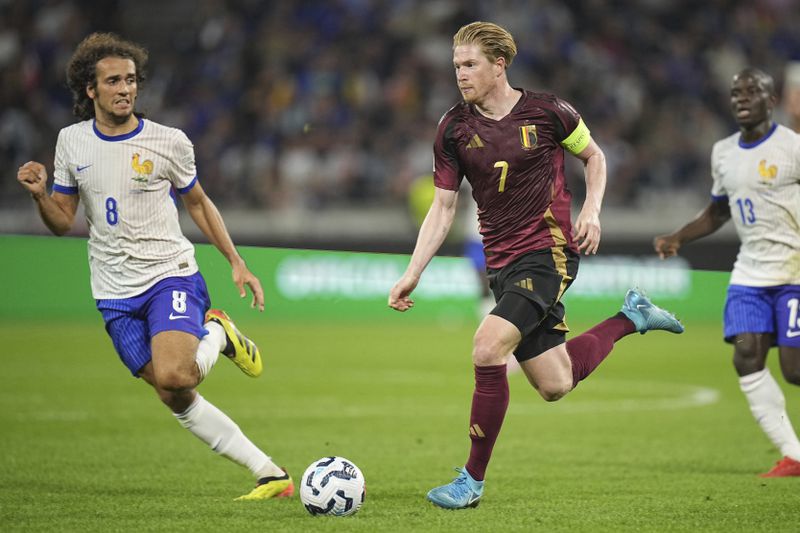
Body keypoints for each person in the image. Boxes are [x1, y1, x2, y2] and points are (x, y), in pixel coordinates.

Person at [388, 21, 684, 510]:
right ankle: (631, 316)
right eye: (456, 65)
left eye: (470, 64)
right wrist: (412, 272)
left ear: (499, 65)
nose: (460, 74)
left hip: (548, 253)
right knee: (555, 383)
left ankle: (470, 481)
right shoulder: (454, 128)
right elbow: (442, 208)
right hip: (501, 262)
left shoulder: (549, 112)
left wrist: (591, 210)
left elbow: (595, 157)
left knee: (487, 349)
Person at [15, 33, 293, 500]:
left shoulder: (168, 141)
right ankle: (271, 474)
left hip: (170, 272)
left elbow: (200, 205)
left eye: (130, 80)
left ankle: (219, 333)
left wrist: (236, 262)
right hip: (113, 292)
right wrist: (42, 195)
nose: (125, 88)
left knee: (175, 375)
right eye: (113, 81)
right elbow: (63, 222)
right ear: (91, 89)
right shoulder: (71, 143)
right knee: (173, 395)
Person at [654, 67, 800, 478]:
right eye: (737, 92)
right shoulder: (723, 152)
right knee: (746, 357)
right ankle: (794, 454)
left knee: (795, 369)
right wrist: (679, 236)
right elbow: (719, 209)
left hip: (794, 272)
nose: (742, 98)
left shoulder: (793, 148)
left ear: (772, 101)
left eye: (753, 91)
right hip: (749, 275)